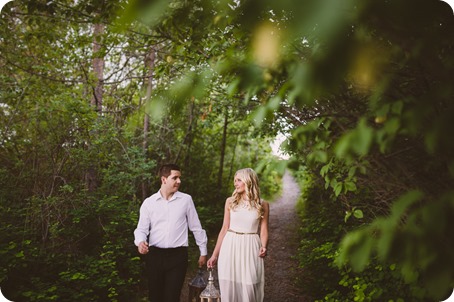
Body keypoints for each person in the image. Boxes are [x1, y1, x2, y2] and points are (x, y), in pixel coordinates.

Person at [134, 163, 208, 302]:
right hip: (155, 256)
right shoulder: (149, 203)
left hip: (177, 257)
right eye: (175, 178)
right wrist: (140, 243)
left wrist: (203, 251)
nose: (179, 181)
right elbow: (141, 229)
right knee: (155, 297)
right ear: (164, 179)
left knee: (172, 297)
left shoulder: (186, 200)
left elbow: (196, 227)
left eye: (179, 178)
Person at [207, 168, 269, 302]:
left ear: (249, 181)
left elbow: (263, 229)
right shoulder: (230, 201)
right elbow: (224, 228)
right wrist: (214, 255)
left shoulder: (262, 204)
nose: (235, 183)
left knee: (250, 286)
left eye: (239, 180)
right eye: (235, 180)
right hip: (230, 245)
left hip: (251, 246)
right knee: (228, 287)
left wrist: (264, 246)